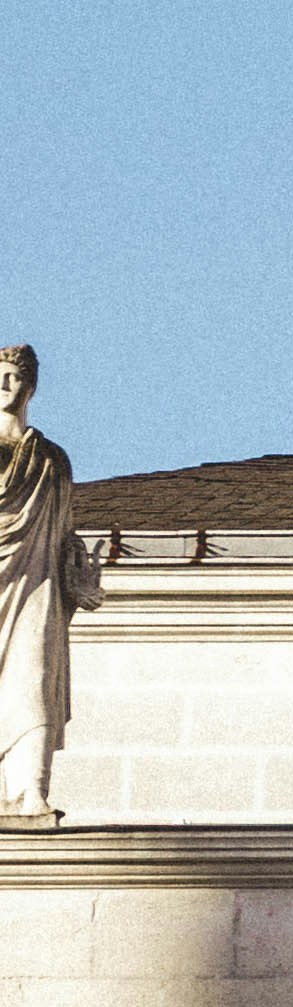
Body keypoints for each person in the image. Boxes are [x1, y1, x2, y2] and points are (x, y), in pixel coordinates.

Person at [0, 348, 100, 821]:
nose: (6, 385)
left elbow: (63, 534)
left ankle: (29, 790)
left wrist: (75, 577)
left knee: (33, 680)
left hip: (36, 581)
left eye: (15, 377)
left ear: (30, 387)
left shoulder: (51, 460)